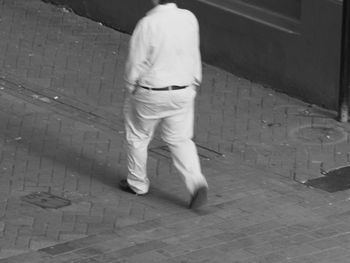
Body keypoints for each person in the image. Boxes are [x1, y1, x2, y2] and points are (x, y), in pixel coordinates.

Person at [120, 0, 208, 209]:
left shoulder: (147, 24)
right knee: (181, 140)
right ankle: (197, 184)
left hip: (152, 91)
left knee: (138, 136)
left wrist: (131, 85)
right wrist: (195, 81)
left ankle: (137, 183)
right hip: (183, 90)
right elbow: (193, 51)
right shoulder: (189, 18)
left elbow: (136, 61)